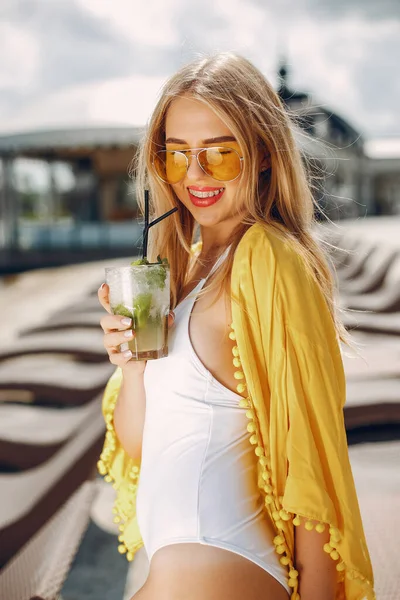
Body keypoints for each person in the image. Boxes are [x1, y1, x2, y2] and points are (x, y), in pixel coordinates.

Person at [97, 53, 374, 600]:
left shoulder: (269, 261)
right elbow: (142, 446)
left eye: (219, 155)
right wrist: (131, 368)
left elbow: (311, 459)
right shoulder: (187, 267)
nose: (194, 176)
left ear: (264, 155)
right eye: (177, 156)